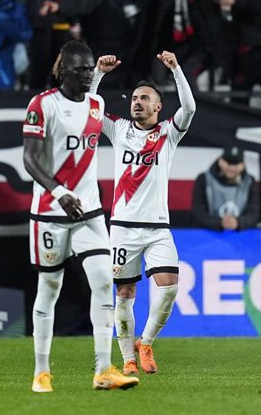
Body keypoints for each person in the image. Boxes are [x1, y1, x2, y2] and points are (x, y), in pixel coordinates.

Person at [22, 40, 139, 392]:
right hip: (50, 212)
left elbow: (89, 105)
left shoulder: (96, 103)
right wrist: (58, 192)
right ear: (64, 71)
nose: (88, 73)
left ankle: (104, 369)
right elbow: (30, 159)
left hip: (89, 212)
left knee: (104, 280)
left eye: (91, 68)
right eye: (82, 69)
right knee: (50, 287)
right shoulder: (43, 105)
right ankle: (41, 371)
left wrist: (100, 75)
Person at [90, 50, 195, 376]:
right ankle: (129, 359)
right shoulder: (119, 129)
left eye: (145, 98)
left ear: (158, 106)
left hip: (158, 227)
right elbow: (89, 112)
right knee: (124, 294)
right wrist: (97, 74)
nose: (137, 102)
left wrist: (176, 69)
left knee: (169, 287)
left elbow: (189, 108)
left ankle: (146, 341)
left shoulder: (168, 133)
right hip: (122, 226)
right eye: (135, 98)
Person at [191, 145, 260, 231]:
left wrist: (238, 222)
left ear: (242, 165)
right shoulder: (203, 179)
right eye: (228, 162)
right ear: (220, 161)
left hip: (241, 236)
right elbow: (198, 212)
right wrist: (219, 223)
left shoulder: (250, 182)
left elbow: (254, 213)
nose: (231, 167)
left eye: (236, 163)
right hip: (208, 234)